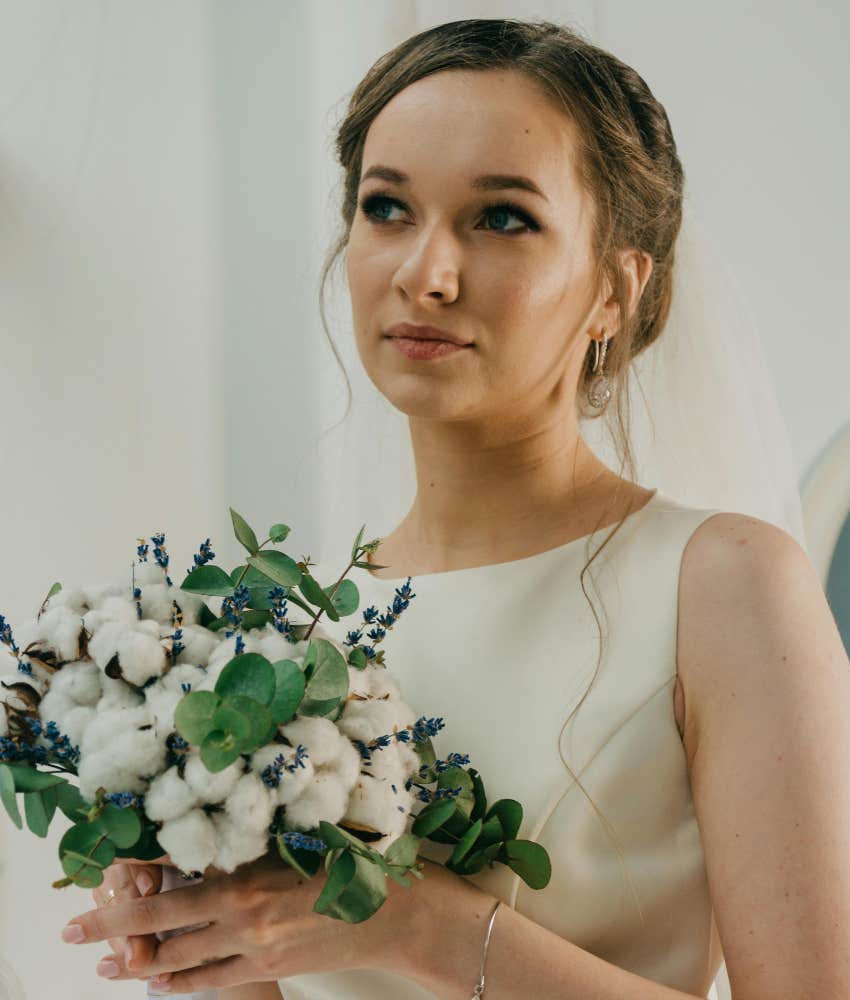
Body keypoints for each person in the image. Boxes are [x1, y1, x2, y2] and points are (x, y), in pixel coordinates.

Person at [79, 18, 849, 999]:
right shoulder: (282, 633)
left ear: (617, 286)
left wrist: (432, 930)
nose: (425, 273)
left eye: (502, 218)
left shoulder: (723, 584)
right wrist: (197, 926)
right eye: (387, 206)